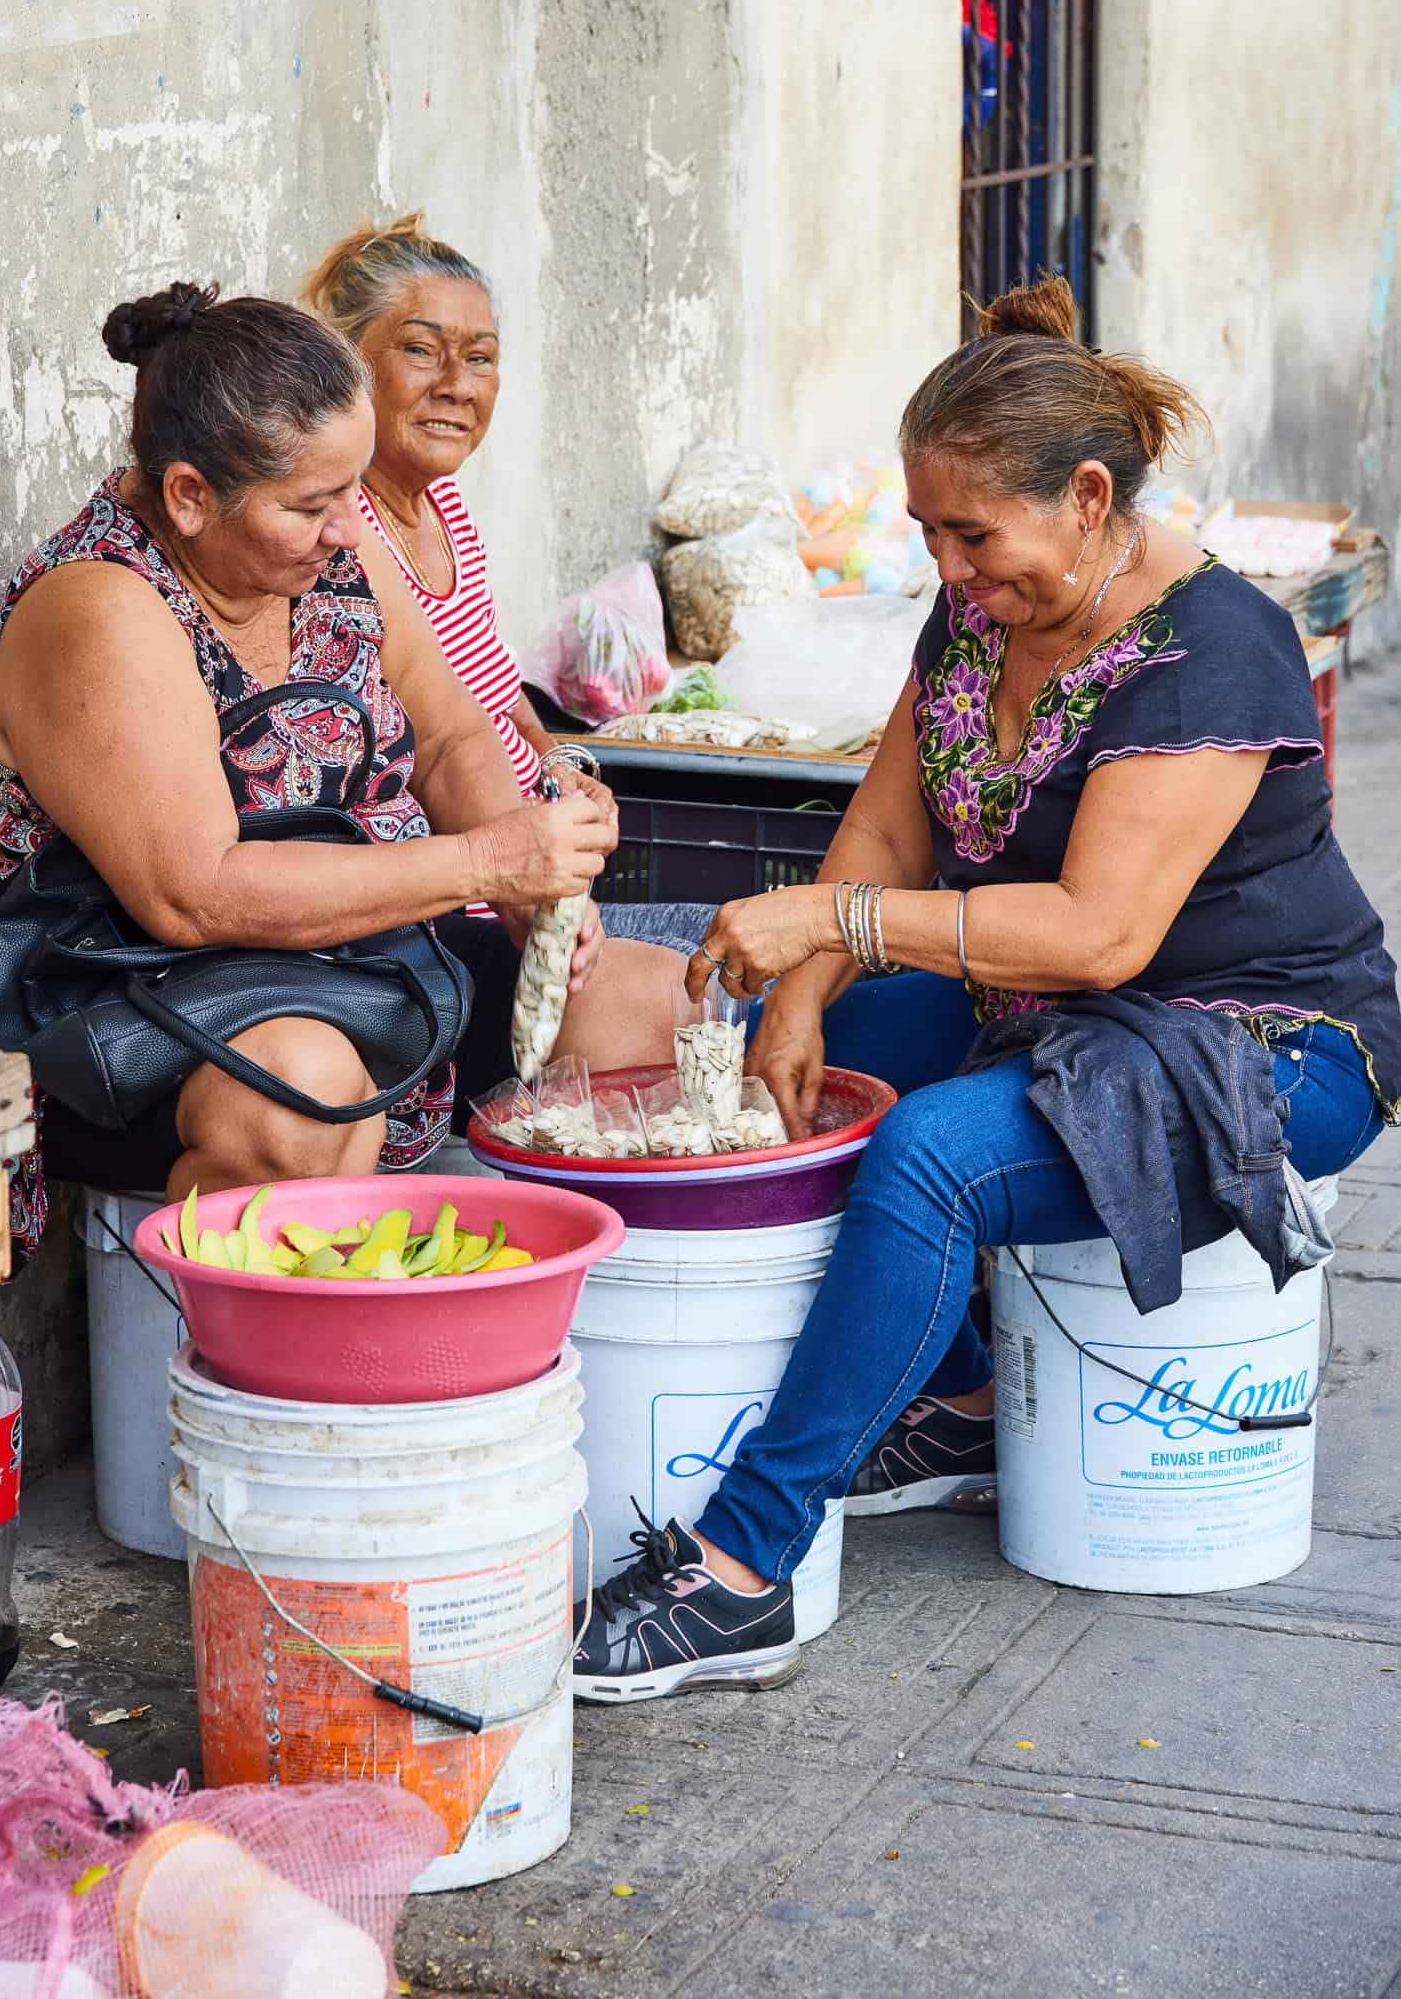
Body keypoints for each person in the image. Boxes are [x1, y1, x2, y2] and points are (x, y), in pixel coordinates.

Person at [572, 273, 1401, 1701]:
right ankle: (958, 1404)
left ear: (1090, 496)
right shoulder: (977, 622)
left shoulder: (1212, 654)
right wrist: (807, 991)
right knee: (822, 1080)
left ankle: (744, 1566)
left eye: (974, 532)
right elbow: (891, 833)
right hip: (1057, 1007)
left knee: (925, 1156)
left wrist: (832, 923)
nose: (951, 567)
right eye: (930, 533)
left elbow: (1095, 935)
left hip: (1267, 1038)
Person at [0, 282, 691, 1253]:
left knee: (669, 1008)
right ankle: (246, 1375)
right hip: (133, 999)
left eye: (353, 486)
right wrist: (487, 865)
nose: (350, 524)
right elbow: (196, 895)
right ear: (188, 494)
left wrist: (524, 895)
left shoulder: (329, 552)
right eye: (312, 502)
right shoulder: (101, 609)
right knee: (310, 1095)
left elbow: (456, 735)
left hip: (362, 957)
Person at [298, 214, 709, 950]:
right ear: (345, 362)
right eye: (421, 350)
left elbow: (488, 680)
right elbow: (436, 742)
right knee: (708, 971)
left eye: (481, 359)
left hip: (533, 874)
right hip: (460, 908)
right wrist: (514, 866)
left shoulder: (443, 505)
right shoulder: (340, 528)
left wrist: (553, 759)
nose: (457, 385)